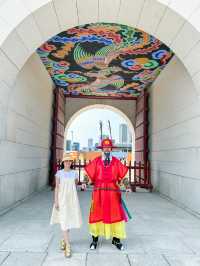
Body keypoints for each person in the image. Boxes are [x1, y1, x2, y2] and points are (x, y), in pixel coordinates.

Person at [84, 138, 131, 251]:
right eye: (105, 148)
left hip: (113, 193)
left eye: (109, 148)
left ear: (111, 149)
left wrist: (127, 186)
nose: (107, 149)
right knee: (96, 214)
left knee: (116, 215)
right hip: (98, 192)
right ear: (102, 149)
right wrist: (85, 183)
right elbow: (88, 175)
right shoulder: (96, 161)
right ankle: (95, 239)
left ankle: (116, 239)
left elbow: (123, 176)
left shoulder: (116, 161)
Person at [50, 152, 82, 258]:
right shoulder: (59, 173)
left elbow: (76, 184)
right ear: (63, 162)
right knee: (64, 220)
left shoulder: (74, 173)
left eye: (69, 161)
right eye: (66, 161)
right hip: (62, 199)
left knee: (68, 219)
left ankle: (64, 240)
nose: (67, 162)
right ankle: (68, 245)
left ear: (71, 162)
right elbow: (57, 188)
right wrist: (56, 201)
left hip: (72, 200)